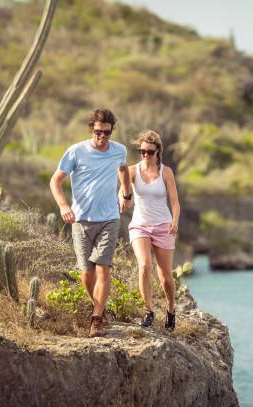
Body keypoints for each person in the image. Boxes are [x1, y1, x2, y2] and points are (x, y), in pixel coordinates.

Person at [49, 108, 133, 337]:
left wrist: (126, 194)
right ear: (91, 130)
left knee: (103, 268)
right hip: (81, 219)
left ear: (111, 131)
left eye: (106, 132)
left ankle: (96, 317)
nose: (102, 137)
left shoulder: (119, 151)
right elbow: (55, 181)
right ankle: (98, 305)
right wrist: (64, 206)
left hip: (109, 218)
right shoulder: (76, 152)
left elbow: (123, 170)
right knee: (86, 273)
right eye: (98, 132)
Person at [126, 130, 180, 331]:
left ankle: (171, 309)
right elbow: (122, 192)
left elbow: (175, 202)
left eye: (149, 151)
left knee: (165, 277)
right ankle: (148, 311)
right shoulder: (132, 171)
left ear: (158, 151)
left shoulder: (166, 172)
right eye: (142, 151)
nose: (145, 155)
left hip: (163, 226)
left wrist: (175, 221)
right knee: (144, 266)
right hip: (140, 225)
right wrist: (124, 199)